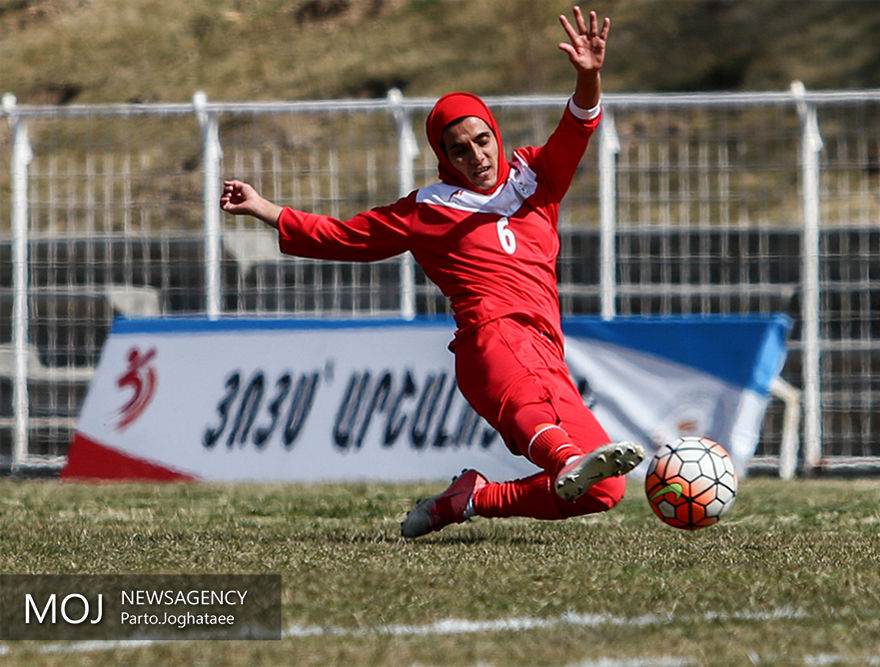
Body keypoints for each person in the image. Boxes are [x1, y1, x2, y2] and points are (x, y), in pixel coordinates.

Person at [220, 6, 643, 538]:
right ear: (444, 157)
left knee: (604, 489)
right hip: (491, 341)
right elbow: (346, 236)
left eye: (482, 140)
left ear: (495, 132)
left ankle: (469, 500)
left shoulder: (536, 177)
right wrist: (267, 210)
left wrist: (588, 75)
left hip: (547, 350)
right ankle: (563, 458)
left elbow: (578, 126)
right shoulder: (428, 209)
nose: (476, 156)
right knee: (560, 449)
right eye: (459, 149)